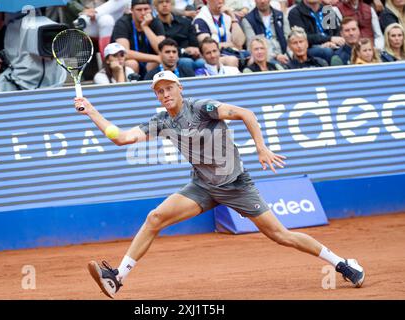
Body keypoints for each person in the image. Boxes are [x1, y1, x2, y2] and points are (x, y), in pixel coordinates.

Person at [74, 70, 366, 299]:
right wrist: (91, 110)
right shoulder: (162, 121)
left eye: (168, 88)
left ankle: (342, 263)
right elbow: (121, 137)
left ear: (180, 88)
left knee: (280, 235)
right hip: (202, 186)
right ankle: (117, 278)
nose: (164, 94)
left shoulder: (202, 108)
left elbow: (245, 114)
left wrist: (261, 148)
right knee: (155, 218)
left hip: (236, 185)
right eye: (159, 91)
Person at [111, 0, 166, 77]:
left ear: (151, 9)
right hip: (128, 62)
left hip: (149, 63)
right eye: (139, 10)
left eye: (146, 9)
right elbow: (124, 53)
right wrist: (155, 57)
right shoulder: (122, 23)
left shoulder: (155, 22)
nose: (143, 13)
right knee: (132, 63)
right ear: (131, 10)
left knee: (157, 63)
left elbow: (161, 49)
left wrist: (145, 27)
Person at [193, 0, 247, 67]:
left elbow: (240, 42)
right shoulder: (200, 19)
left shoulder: (228, 15)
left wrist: (233, 18)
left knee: (253, 57)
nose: (220, 1)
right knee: (231, 60)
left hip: (231, 52)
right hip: (212, 57)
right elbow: (208, 47)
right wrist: (233, 44)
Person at [154, 0, 203, 69]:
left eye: (167, 2)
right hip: (171, 58)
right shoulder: (154, 26)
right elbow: (160, 47)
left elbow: (195, 43)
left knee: (202, 62)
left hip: (192, 56)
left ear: (172, 5)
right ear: (155, 6)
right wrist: (183, 50)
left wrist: (195, 50)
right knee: (186, 62)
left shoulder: (185, 22)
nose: (164, 5)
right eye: (160, 2)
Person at [241, 0, 291, 65]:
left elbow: (289, 39)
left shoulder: (280, 15)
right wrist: (276, 56)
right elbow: (251, 45)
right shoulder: (248, 20)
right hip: (264, 58)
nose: (262, 1)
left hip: (284, 55)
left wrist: (288, 55)